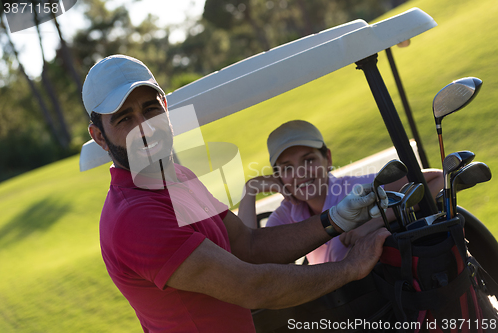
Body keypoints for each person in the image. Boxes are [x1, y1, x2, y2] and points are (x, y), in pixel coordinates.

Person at [83, 54, 391, 333]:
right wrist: (350, 268)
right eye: (125, 118)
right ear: (99, 136)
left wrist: (334, 219)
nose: (145, 127)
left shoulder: (179, 177)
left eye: (150, 109)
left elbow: (248, 245)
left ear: (165, 108)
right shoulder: (136, 216)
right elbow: (252, 286)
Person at [238, 120, 443, 264]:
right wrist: (250, 190)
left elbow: (439, 179)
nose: (300, 173)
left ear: (327, 158)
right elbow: (249, 255)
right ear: (278, 176)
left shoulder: (354, 189)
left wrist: (375, 221)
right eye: (287, 168)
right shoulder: (286, 214)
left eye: (309, 160)